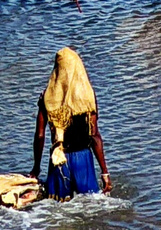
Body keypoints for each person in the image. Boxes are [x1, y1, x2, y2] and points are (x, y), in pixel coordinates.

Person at [32, 48, 111, 199]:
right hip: (83, 161)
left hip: (59, 160)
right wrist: (104, 172)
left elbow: (40, 136)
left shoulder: (47, 97)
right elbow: (94, 136)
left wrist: (36, 168)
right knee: (91, 204)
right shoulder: (87, 96)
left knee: (57, 207)